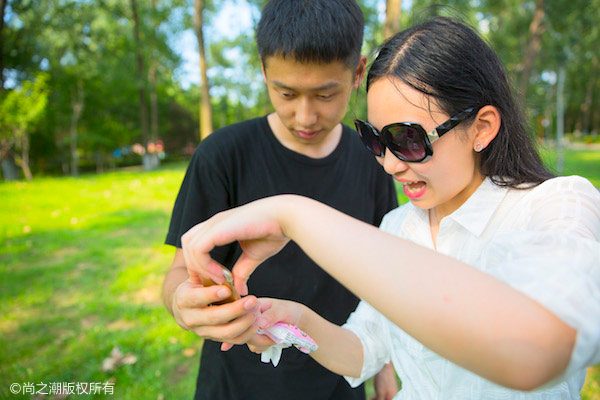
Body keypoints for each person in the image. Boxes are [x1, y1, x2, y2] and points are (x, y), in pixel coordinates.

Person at [180, 17, 600, 399]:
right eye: (376, 140)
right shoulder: (399, 226)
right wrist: (291, 319)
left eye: (409, 139)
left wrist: (294, 214)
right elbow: (363, 351)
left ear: (482, 127)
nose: (390, 164)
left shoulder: (555, 206)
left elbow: (537, 350)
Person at [162, 1, 399, 399]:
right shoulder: (222, 155)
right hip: (236, 384)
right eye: (286, 92)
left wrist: (385, 369)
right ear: (264, 71)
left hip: (339, 379)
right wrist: (181, 302)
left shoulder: (375, 159)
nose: (305, 116)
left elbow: (383, 280)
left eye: (325, 94)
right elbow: (176, 274)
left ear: (357, 72)